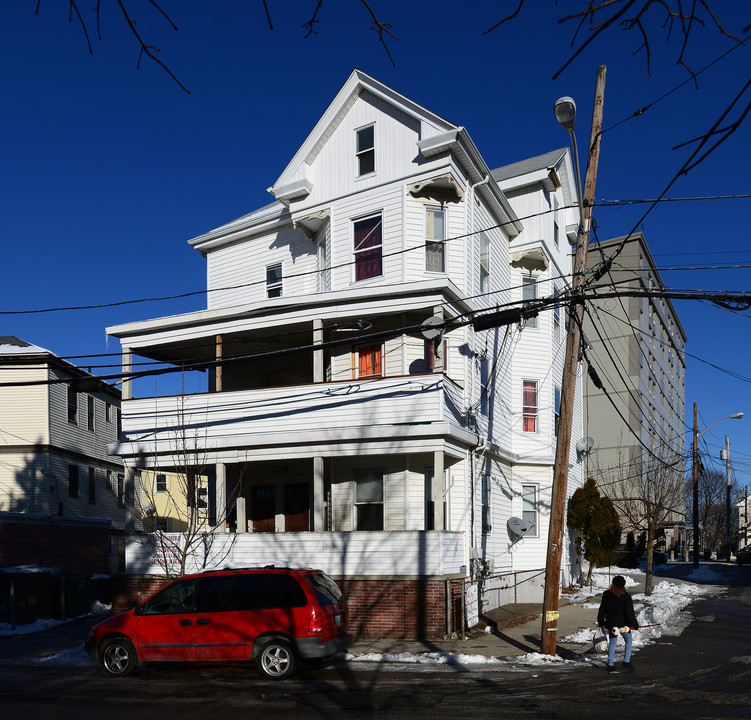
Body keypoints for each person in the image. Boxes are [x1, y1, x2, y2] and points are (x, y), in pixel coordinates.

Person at [597, 575, 638, 673]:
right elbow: (629, 613)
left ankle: (610, 664)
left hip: (612, 624)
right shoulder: (626, 596)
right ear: (623, 585)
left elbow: (602, 610)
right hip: (624, 625)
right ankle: (626, 661)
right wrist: (634, 624)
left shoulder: (607, 595)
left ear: (613, 584)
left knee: (613, 642)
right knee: (628, 640)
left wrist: (601, 622)